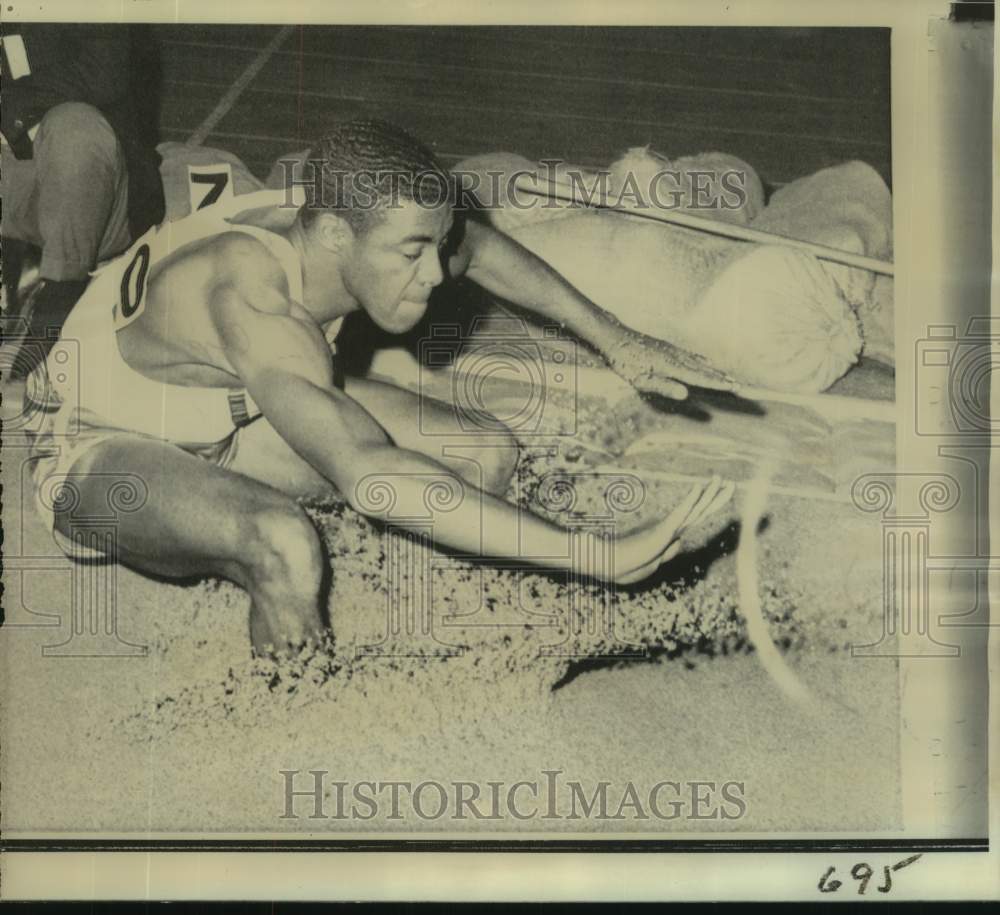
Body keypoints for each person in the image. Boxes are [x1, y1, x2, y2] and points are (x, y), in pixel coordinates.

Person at [28, 118, 734, 656]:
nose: (434, 273)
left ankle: (433, 630)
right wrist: (595, 553)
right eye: (412, 253)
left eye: (437, 243)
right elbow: (367, 473)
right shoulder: (256, 302)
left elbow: (479, 248)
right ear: (336, 234)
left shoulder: (351, 219)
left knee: (482, 452)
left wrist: (617, 340)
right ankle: (285, 743)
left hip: (223, 407)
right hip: (93, 443)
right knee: (284, 544)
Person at [1, 23, 165, 371]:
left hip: (94, 201)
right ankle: (18, 268)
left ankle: (60, 300)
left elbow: (103, 72)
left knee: (75, 128)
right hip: (16, 184)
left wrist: (8, 106)